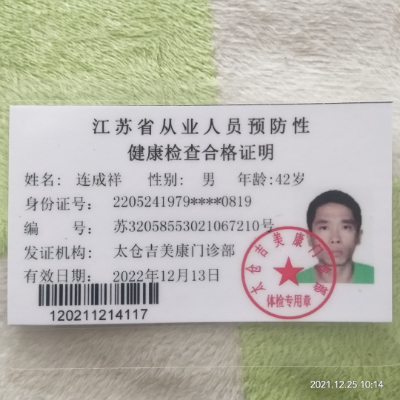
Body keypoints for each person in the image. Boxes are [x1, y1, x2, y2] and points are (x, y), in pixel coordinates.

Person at [296, 190, 374, 284]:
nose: (335, 239)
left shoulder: (378, 277)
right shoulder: (294, 283)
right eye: (324, 228)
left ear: (359, 236)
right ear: (309, 237)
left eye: (345, 227)